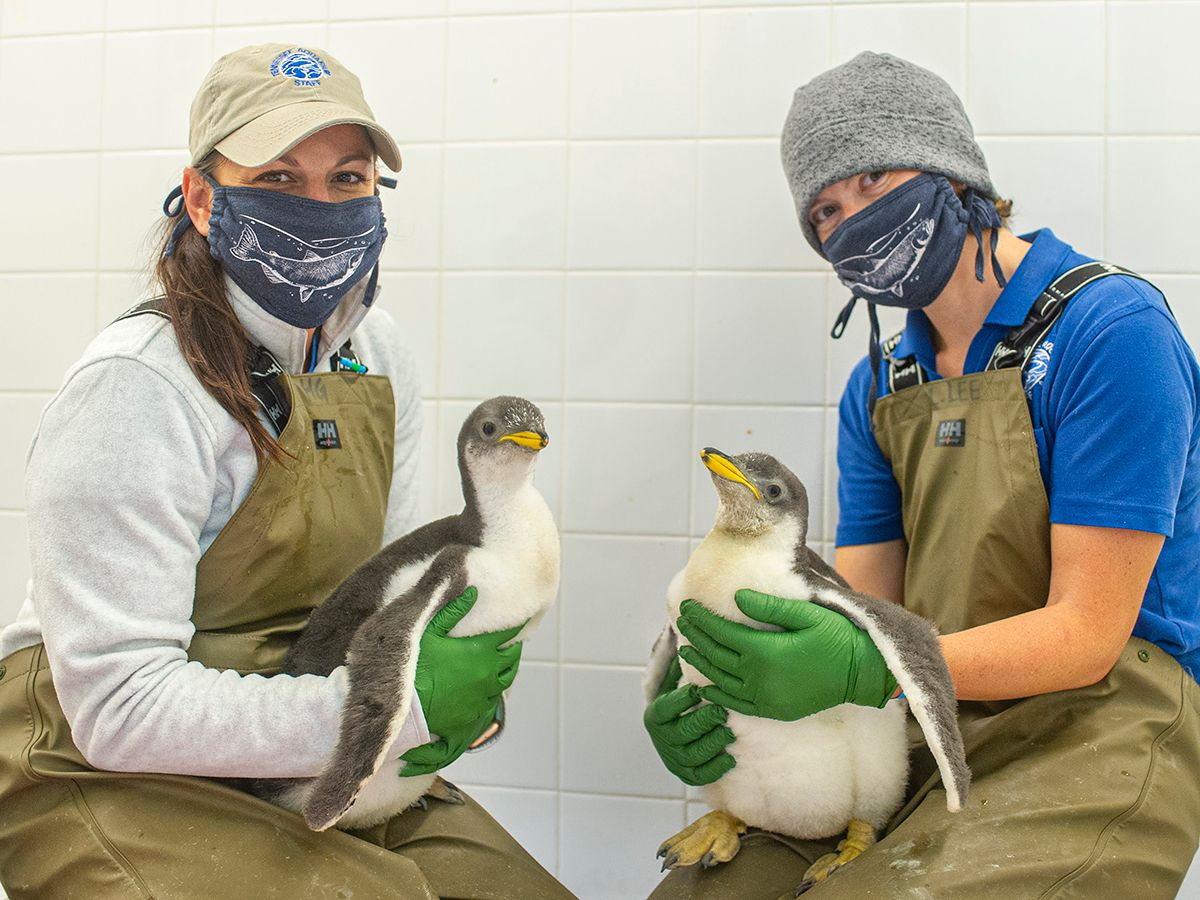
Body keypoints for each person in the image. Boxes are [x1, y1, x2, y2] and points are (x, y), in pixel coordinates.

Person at [0, 43, 572, 900]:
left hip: (289, 721)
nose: (321, 205)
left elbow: (374, 594)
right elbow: (118, 709)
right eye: (276, 178)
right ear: (201, 198)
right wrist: (384, 714)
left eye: (348, 180)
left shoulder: (379, 358)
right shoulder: (136, 386)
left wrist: (452, 694)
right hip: (93, 762)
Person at [646, 51, 1200, 897]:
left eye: (872, 179)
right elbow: (860, 612)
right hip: (923, 711)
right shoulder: (879, 385)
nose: (851, 220)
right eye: (826, 210)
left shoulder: (1108, 332)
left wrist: (869, 665)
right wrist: (732, 706)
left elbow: (1088, 634)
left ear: (951, 167)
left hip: (1104, 717)